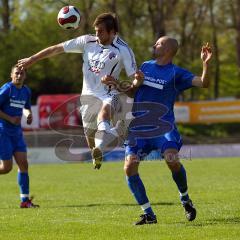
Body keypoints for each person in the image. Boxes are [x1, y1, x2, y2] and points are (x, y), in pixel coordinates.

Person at [17, 12, 142, 169]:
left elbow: (135, 80)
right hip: (88, 96)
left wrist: (121, 83)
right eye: (95, 30)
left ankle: (101, 146)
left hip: (109, 93)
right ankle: (98, 151)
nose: (96, 34)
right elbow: (56, 49)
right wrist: (32, 59)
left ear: (112, 32)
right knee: (90, 135)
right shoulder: (87, 41)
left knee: (104, 113)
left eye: (101, 31)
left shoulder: (123, 50)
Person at [123, 37, 212, 225]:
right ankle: (148, 214)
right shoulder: (145, 66)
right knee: (129, 167)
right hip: (139, 128)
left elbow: (203, 83)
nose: (155, 45)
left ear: (169, 50)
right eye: (155, 43)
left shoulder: (176, 73)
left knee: (171, 158)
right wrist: (132, 84)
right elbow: (132, 92)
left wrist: (205, 64)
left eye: (159, 43)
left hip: (164, 126)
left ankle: (185, 199)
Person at [0, 65, 39, 208]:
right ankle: (25, 200)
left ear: (25, 76)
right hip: (3, 132)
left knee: (23, 164)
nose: (19, 75)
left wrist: (29, 115)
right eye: (16, 73)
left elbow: (26, 108)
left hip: (17, 133)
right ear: (11, 75)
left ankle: (25, 201)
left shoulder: (26, 91)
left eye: (22, 73)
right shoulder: (7, 89)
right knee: (6, 168)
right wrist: (9, 118)